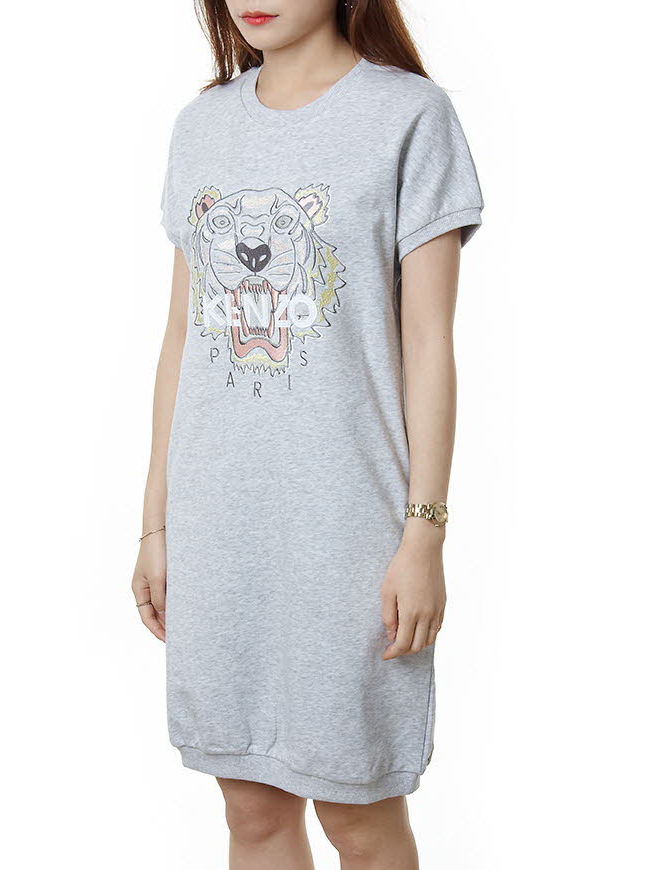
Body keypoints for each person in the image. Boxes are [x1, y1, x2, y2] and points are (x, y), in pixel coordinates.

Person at [131, 1, 483, 866]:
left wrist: (424, 535)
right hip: (221, 524)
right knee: (251, 811)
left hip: (348, 530)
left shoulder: (409, 116)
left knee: (359, 816)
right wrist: (155, 525)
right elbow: (181, 338)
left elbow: (429, 345)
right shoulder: (201, 127)